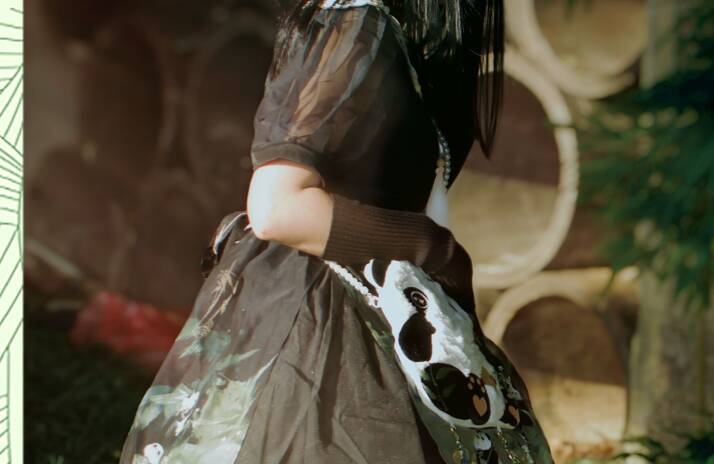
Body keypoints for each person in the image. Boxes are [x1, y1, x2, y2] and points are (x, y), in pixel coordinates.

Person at [118, 0, 555, 462]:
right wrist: (432, 247)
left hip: (357, 320)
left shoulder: (375, 29)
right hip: (323, 333)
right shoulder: (356, 24)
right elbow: (277, 206)